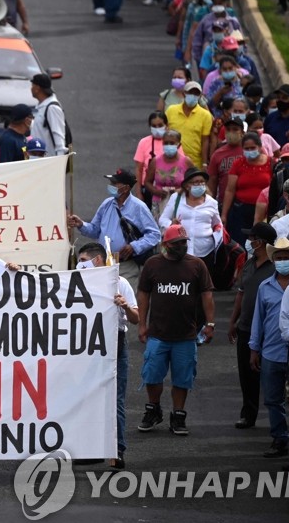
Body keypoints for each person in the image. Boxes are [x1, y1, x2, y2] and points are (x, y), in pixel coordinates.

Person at [136, 224, 216, 436]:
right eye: (177, 243)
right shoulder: (152, 264)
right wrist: (142, 324)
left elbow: (207, 295)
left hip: (186, 335)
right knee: (152, 375)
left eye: (184, 242)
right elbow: (143, 294)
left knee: (182, 378)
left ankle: (178, 415)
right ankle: (153, 409)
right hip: (158, 334)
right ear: (166, 245)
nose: (182, 246)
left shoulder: (196, 265)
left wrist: (210, 324)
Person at [77, 242, 139, 470]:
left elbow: (136, 319)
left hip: (115, 346)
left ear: (98, 261)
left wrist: (125, 306)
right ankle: (90, 450)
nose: (80, 265)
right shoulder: (75, 284)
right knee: (86, 398)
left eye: (83, 260)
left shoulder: (120, 284)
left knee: (115, 400)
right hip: (86, 348)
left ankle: (117, 450)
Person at [249, 237, 289, 458]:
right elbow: (258, 320)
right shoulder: (265, 287)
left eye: (287, 258)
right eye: (279, 258)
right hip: (271, 350)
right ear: (274, 260)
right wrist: (254, 349)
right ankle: (280, 438)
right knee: (273, 398)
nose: (283, 261)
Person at [69, 168, 161, 283]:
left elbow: (155, 234)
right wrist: (81, 224)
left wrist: (134, 246)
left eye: (114, 183)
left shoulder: (139, 207)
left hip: (126, 266)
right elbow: (95, 230)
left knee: (125, 299)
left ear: (126, 188)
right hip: (104, 265)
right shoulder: (106, 204)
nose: (110, 186)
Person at [228, 222, 277, 430]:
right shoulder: (249, 263)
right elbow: (241, 293)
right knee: (246, 374)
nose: (249, 242)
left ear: (262, 242)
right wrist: (233, 321)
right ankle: (248, 413)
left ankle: (276, 418)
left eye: (252, 238)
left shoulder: (276, 266)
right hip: (247, 326)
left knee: (271, 375)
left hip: (269, 329)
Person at [158, 169, 222, 262]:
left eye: (202, 182)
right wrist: (171, 225)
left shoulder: (212, 202)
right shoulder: (176, 198)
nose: (200, 185)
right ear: (187, 186)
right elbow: (163, 219)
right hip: (180, 251)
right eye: (196, 182)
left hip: (205, 252)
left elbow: (217, 225)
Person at [221, 132, 273, 247]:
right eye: (246, 148)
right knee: (239, 243)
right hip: (241, 211)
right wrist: (224, 214)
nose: (250, 151)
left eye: (252, 148)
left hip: (264, 211)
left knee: (260, 242)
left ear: (260, 147)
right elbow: (230, 190)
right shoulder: (238, 164)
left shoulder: (271, 163)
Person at [166, 81, 213, 172]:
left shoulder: (206, 115)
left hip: (195, 162)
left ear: (200, 96)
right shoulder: (171, 110)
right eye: (190, 93)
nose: (193, 95)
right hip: (172, 159)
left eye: (196, 93)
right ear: (184, 94)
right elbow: (165, 134)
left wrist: (204, 163)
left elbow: (205, 140)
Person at [144, 129, 195, 213]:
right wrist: (156, 191)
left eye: (172, 143)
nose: (168, 145)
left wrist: (182, 190)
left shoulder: (186, 161)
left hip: (181, 202)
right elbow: (147, 182)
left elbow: (194, 181)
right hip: (159, 203)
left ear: (179, 145)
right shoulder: (155, 161)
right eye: (166, 143)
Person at [207, 116, 244, 200]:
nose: (231, 132)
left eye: (235, 129)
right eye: (228, 129)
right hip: (223, 200)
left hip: (245, 202)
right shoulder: (217, 154)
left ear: (243, 132)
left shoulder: (249, 150)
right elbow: (212, 181)